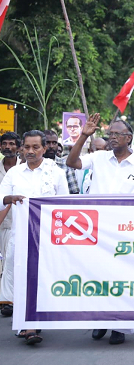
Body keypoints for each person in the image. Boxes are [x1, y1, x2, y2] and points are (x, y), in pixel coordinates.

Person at [67, 113, 134, 345]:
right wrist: (83, 136)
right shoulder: (99, 158)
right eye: (110, 134)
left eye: (117, 134)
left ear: (129, 137)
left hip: (125, 230)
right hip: (97, 228)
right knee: (97, 275)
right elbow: (72, 162)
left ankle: (120, 326)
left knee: (122, 278)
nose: (112, 138)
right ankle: (100, 320)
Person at [0, 130, 68, 345]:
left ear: (44, 149)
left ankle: (32, 325)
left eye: (35, 147)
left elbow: (65, 205)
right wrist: (9, 199)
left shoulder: (55, 172)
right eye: (27, 147)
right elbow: (0, 200)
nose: (30, 151)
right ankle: (26, 324)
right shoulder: (15, 174)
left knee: (40, 279)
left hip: (46, 236)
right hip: (19, 235)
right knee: (22, 279)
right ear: (22, 149)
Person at [0, 132, 20, 317]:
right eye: (4, 143)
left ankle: (10, 301)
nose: (8, 147)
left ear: (18, 147)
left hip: (18, 224)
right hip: (2, 225)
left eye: (12, 143)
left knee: (12, 263)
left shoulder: (23, 168)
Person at [44, 130, 80, 194]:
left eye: (54, 143)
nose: (51, 146)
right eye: (48, 143)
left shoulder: (65, 164)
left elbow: (74, 192)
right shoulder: (34, 164)